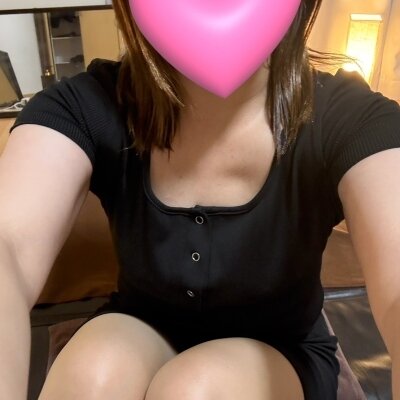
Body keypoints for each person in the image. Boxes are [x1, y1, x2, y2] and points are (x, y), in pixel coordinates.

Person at [0, 0, 399, 399]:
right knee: (92, 372)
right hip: (140, 329)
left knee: (197, 390)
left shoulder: (350, 118)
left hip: (282, 351)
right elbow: (8, 244)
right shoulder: (90, 103)